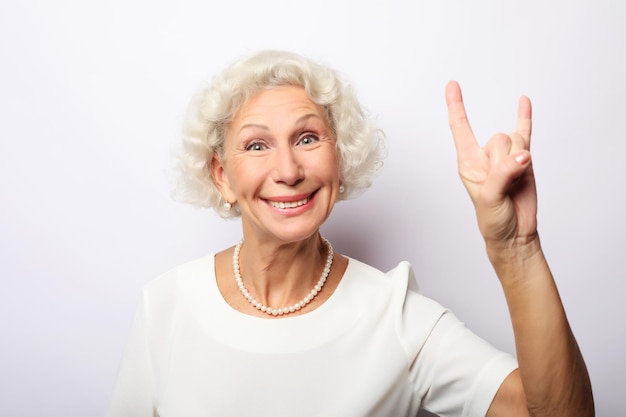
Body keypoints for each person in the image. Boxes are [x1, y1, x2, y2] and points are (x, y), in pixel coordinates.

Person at [106, 50, 594, 417]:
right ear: (221, 176)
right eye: (257, 145)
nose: (288, 169)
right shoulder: (166, 304)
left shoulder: (396, 314)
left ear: (339, 160)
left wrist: (517, 251)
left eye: (307, 138)